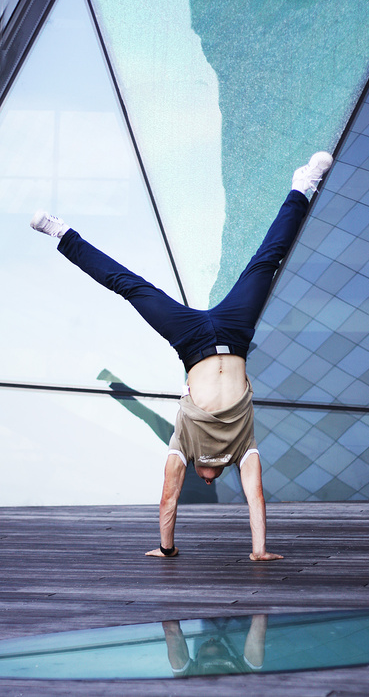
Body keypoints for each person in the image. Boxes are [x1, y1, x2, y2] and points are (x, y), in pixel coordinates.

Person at [30, 151, 333, 561]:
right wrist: (259, 550)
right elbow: (256, 497)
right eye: (211, 480)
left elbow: (168, 498)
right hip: (235, 333)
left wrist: (166, 548)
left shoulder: (183, 446)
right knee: (266, 262)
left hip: (191, 341)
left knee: (131, 287)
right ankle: (302, 187)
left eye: (205, 481)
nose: (208, 481)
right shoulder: (243, 450)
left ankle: (63, 235)